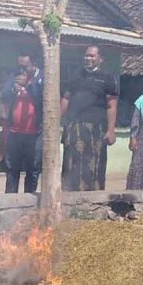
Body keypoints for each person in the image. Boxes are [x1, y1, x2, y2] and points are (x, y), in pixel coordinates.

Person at [60, 45, 118, 191]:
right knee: (71, 163)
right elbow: (65, 99)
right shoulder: (75, 75)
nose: (88, 58)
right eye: (86, 55)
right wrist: (55, 122)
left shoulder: (107, 78)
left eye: (92, 56)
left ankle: (93, 200)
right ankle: (69, 197)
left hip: (96, 129)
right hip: (74, 127)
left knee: (95, 165)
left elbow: (111, 106)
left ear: (101, 59)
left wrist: (111, 130)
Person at [1, 69, 41, 193]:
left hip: (34, 134)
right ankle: (11, 198)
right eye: (18, 74)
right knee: (12, 168)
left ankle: (30, 197)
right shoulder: (13, 87)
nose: (19, 77)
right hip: (15, 133)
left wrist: (27, 86)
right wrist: (14, 90)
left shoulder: (36, 86)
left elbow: (40, 98)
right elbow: (4, 96)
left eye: (23, 74)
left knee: (32, 169)